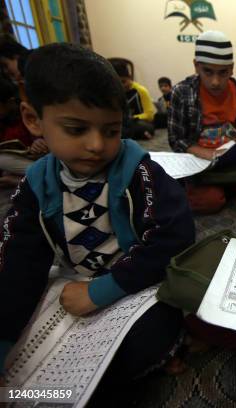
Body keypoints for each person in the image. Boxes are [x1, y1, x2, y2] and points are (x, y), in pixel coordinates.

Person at [0, 43, 195, 388]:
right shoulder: (36, 184)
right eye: (77, 129)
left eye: (111, 130)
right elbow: (20, 260)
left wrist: (105, 289)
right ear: (33, 119)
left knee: (153, 331)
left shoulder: (140, 172)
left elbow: (173, 237)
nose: (96, 145)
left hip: (135, 283)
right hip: (72, 281)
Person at [168, 30, 236, 213]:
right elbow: (175, 138)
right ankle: (221, 189)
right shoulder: (182, 92)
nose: (215, 81)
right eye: (207, 72)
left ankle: (228, 186)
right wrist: (202, 152)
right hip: (202, 165)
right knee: (209, 202)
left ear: (232, 68)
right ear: (196, 66)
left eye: (223, 72)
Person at [0, 74, 47, 187]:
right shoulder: (6, 120)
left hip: (43, 160)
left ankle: (21, 181)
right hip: (30, 159)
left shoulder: (28, 116)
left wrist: (38, 143)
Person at [111, 59, 156, 140]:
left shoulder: (141, 90)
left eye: (123, 81)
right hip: (121, 122)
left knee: (145, 127)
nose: (121, 86)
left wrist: (133, 118)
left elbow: (149, 115)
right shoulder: (113, 92)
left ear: (130, 77)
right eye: (117, 82)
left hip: (137, 121)